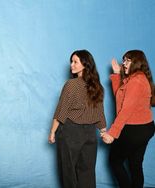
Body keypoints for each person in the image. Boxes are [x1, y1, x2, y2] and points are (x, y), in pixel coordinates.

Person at [48, 50, 106, 188]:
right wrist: (103, 131)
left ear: (85, 65)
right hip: (91, 134)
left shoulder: (71, 84)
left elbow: (61, 111)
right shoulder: (98, 87)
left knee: (68, 172)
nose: (71, 65)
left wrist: (52, 132)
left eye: (75, 62)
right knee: (87, 172)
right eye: (71, 61)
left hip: (70, 132)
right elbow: (100, 114)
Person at [102, 50, 155, 188]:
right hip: (145, 128)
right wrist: (116, 74)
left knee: (115, 161)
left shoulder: (136, 81)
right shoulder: (137, 78)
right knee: (135, 164)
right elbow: (120, 98)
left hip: (133, 129)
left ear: (137, 62)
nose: (124, 63)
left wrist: (112, 133)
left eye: (127, 60)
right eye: (123, 60)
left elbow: (125, 110)